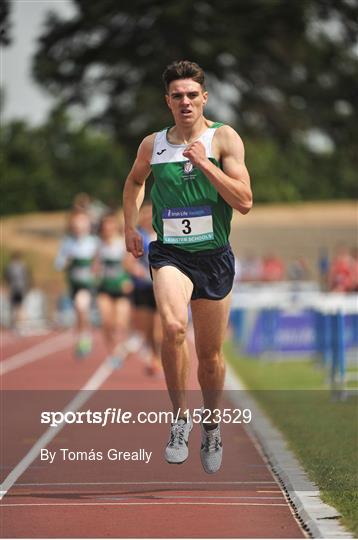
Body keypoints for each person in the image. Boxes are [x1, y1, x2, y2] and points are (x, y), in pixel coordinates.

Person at [123, 60, 252, 474]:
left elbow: (244, 201)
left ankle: (211, 424)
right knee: (174, 327)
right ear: (168, 101)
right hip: (170, 253)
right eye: (177, 95)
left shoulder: (224, 138)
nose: (185, 102)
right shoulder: (153, 144)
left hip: (213, 257)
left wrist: (206, 164)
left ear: (204, 98)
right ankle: (180, 419)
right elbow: (134, 181)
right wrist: (130, 225)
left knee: (210, 357)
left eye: (192, 95)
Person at [55, 210, 98, 357]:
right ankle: (82, 335)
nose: (79, 227)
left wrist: (95, 267)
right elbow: (59, 264)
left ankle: (84, 337)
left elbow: (100, 262)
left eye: (82, 223)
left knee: (82, 306)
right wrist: (67, 260)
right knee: (80, 311)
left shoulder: (94, 242)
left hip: (89, 284)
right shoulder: (67, 242)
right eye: (76, 224)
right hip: (74, 284)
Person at [126, 202, 162, 376]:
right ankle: (154, 356)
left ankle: (158, 357)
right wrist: (136, 270)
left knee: (159, 328)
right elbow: (128, 261)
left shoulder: (165, 232)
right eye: (145, 213)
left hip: (162, 286)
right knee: (147, 328)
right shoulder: (138, 235)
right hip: (144, 287)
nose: (148, 217)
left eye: (151, 213)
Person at [96, 212, 133, 367]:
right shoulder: (98, 245)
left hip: (120, 288)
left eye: (111, 225)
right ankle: (112, 352)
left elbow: (130, 265)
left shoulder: (122, 244)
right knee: (106, 322)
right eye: (105, 226)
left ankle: (121, 347)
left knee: (121, 323)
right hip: (104, 288)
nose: (108, 228)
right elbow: (94, 265)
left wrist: (127, 280)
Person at [4, 251, 31, 331]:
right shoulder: (23, 266)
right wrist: (27, 287)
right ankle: (22, 325)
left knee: (13, 307)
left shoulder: (10, 266)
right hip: (21, 288)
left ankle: (14, 325)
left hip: (13, 288)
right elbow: (27, 277)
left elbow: (7, 277)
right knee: (20, 306)